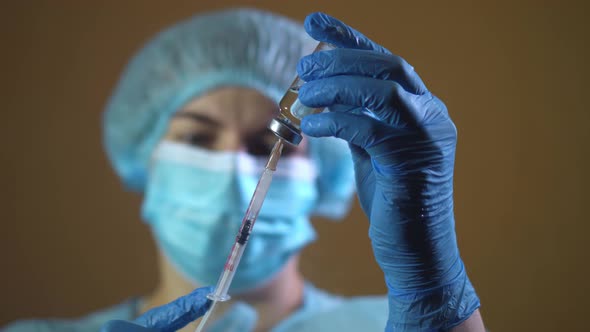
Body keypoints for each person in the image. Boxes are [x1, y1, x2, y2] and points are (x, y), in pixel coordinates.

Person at [3, 9, 484, 332]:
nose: (234, 170)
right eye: (197, 138)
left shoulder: (387, 323)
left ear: (323, 172)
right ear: (142, 154)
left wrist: (433, 291)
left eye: (265, 143)